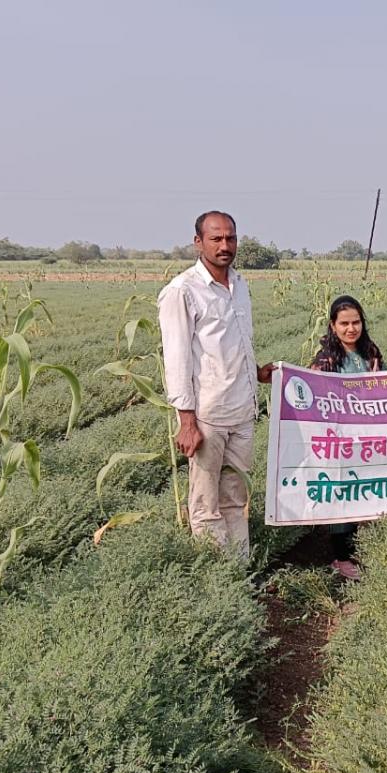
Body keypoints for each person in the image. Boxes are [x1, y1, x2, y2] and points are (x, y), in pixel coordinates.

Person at [158, 210, 274, 557]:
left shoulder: (238, 284)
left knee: (236, 498)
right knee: (206, 505)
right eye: (216, 238)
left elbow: (233, 341)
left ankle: (239, 571)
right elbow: (177, 359)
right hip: (209, 415)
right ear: (198, 242)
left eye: (230, 238)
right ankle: (215, 576)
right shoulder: (182, 291)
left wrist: (255, 371)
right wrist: (186, 422)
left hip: (242, 410)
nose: (225, 245)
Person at [310, 295, 384, 580]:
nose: (351, 328)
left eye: (356, 322)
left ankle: (362, 550)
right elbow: (316, 395)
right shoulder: (326, 359)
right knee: (343, 495)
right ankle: (341, 558)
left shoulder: (371, 353)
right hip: (339, 439)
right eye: (344, 323)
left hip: (367, 437)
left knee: (367, 491)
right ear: (333, 325)